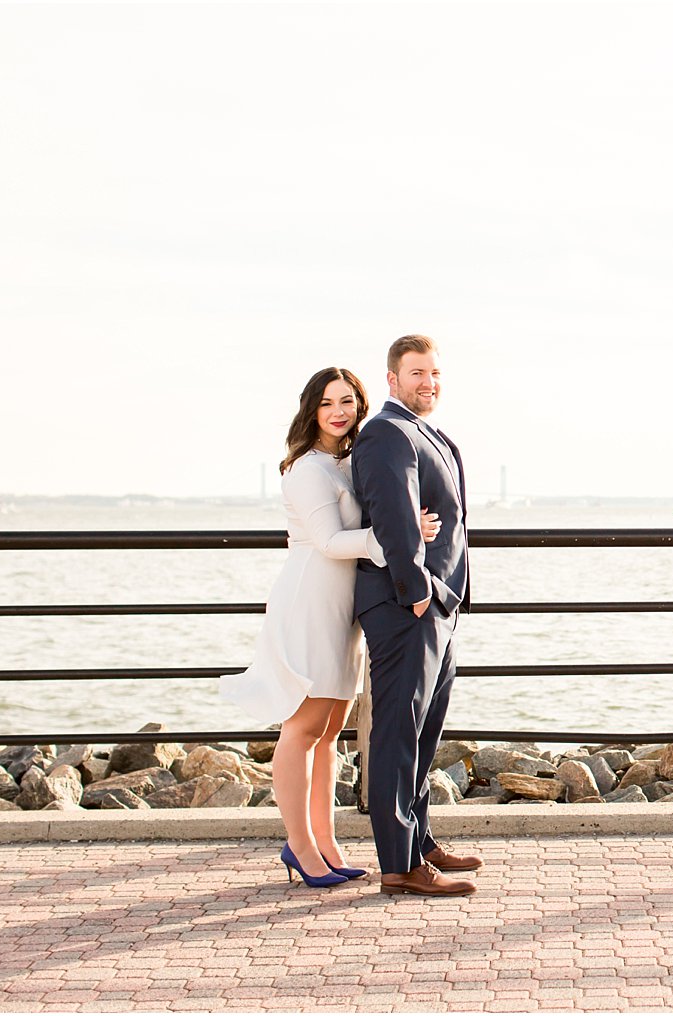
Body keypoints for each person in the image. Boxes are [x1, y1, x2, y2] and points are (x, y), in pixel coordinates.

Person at [221, 367, 441, 889]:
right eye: (326, 403)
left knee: (328, 734)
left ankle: (328, 842)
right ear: (311, 411)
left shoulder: (348, 461)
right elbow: (327, 540)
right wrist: (396, 542)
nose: (338, 412)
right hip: (310, 602)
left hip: (345, 607)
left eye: (347, 401)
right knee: (302, 729)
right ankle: (299, 847)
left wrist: (405, 527)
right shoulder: (307, 470)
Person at [353, 334, 480, 897]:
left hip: (440, 605)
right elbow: (394, 516)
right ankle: (399, 867)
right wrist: (416, 591)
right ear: (392, 379)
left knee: (424, 732)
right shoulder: (384, 432)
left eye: (434, 373)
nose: (428, 382)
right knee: (398, 735)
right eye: (416, 373)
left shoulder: (427, 432)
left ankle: (419, 838)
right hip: (410, 604)